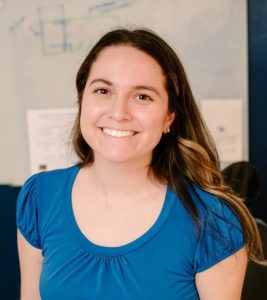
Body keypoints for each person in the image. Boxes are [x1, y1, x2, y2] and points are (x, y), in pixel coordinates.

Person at [16, 28, 265, 300]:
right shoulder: (40, 197)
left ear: (169, 117)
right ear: (82, 100)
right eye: (103, 90)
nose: (119, 112)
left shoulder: (211, 220)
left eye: (142, 96)